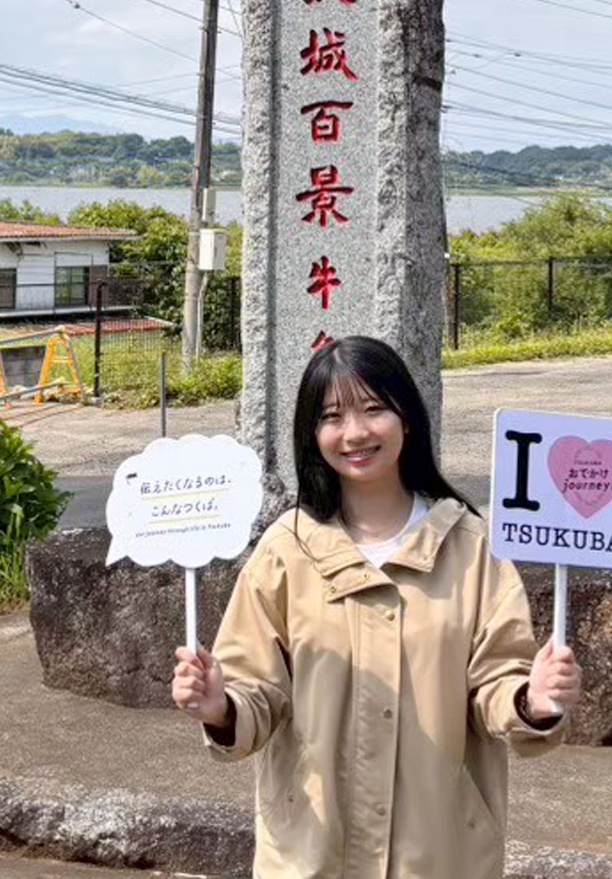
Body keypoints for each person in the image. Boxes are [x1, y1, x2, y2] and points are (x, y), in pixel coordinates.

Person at [173, 335, 581, 878]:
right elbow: (256, 694)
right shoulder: (286, 549)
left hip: (439, 855)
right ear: (312, 435)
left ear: (407, 419)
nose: (355, 433)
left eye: (373, 410)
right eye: (332, 416)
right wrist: (219, 708)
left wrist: (534, 699)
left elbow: (496, 684)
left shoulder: (469, 546)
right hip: (312, 855)